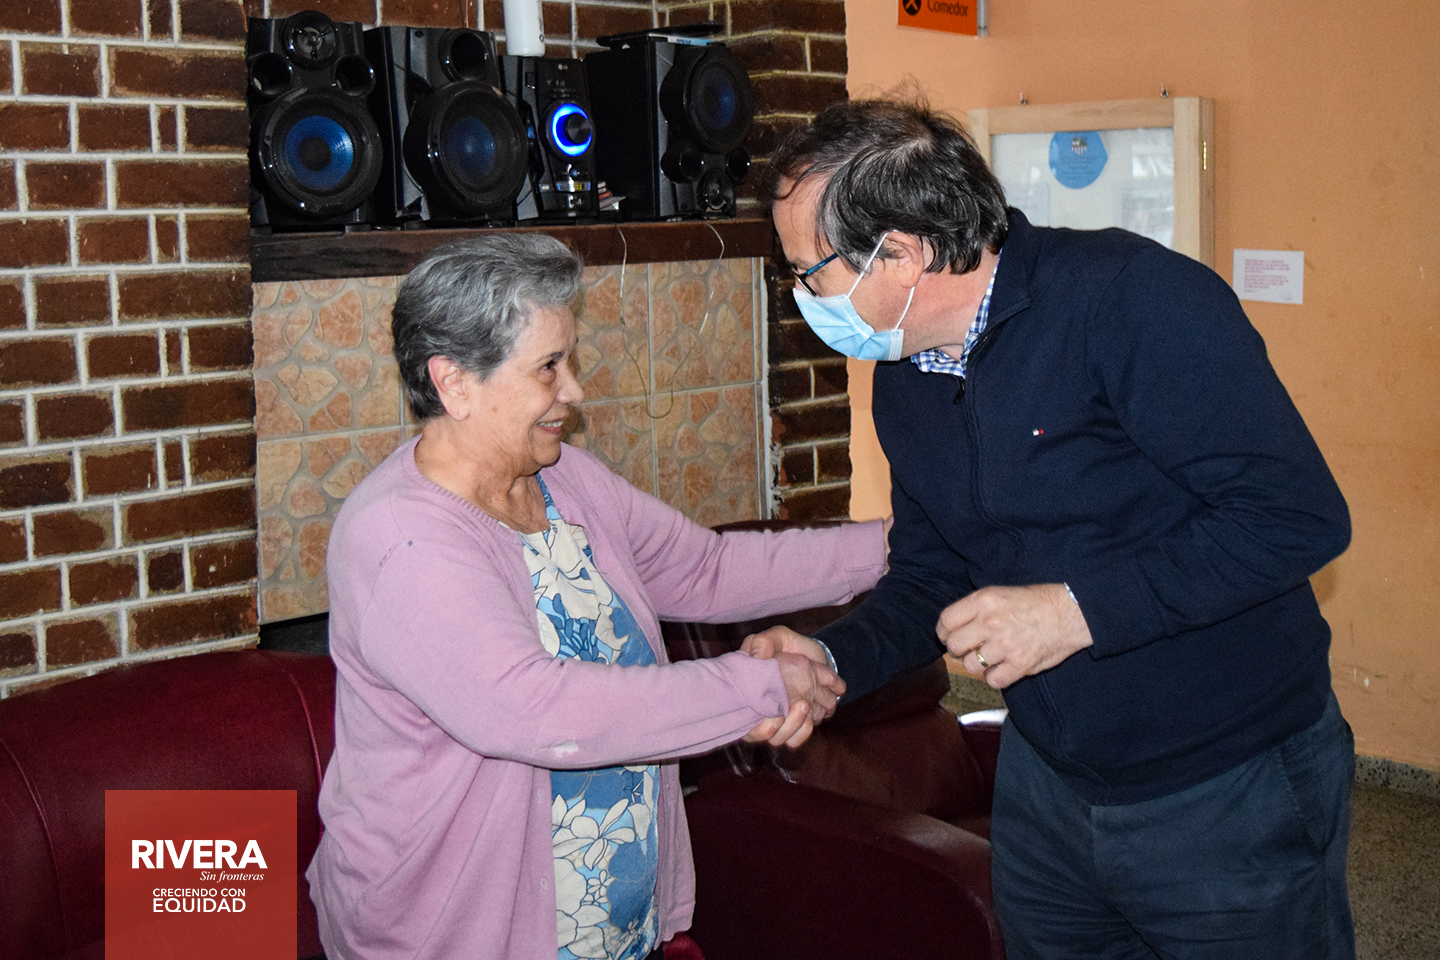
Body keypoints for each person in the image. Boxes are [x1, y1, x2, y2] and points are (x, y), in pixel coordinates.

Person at [748, 97, 1356, 959]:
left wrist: (1075, 612)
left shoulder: (1132, 298)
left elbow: (1296, 518)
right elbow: (932, 575)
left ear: (904, 254)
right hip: (1048, 780)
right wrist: (832, 658)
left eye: (809, 270)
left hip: (1228, 779)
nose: (802, 295)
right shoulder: (904, 371)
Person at [306, 234, 887, 960]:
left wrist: (902, 549)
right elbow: (537, 710)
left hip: (603, 921)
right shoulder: (399, 540)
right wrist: (756, 687)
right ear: (454, 383)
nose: (575, 390)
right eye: (549, 367)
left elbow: (708, 570)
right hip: (453, 932)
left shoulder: (565, 480)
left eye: (569, 361)